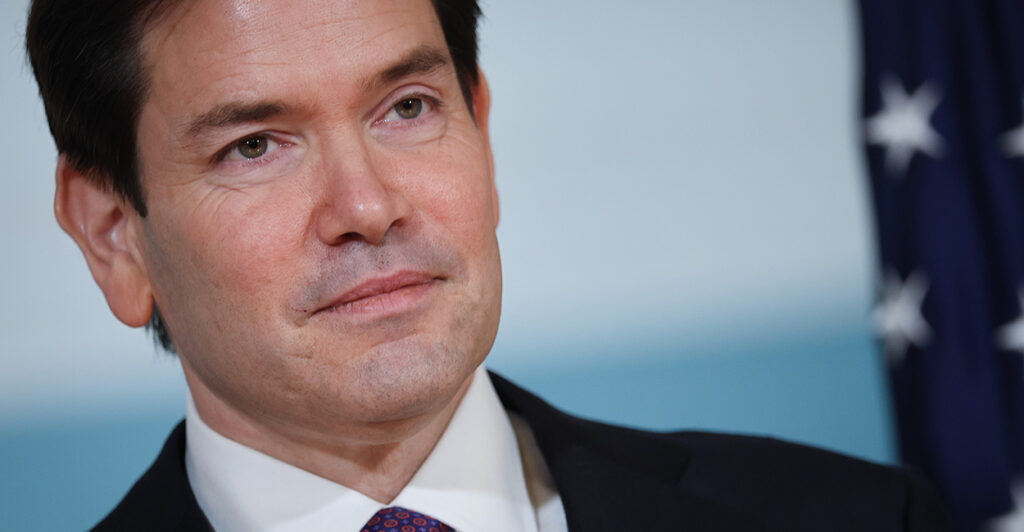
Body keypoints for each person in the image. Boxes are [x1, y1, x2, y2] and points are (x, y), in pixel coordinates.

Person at [25, 0, 952, 530]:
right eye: (257, 145)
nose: (368, 206)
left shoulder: (855, 520)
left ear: (484, 134)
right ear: (113, 232)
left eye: (408, 108)